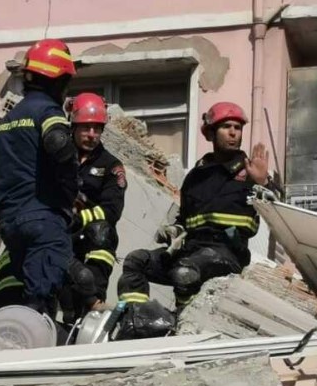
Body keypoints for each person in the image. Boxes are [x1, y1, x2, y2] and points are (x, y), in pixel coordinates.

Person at [116, 101, 271, 311]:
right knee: (137, 261)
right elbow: (186, 219)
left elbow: (279, 214)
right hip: (192, 250)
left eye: (238, 127)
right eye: (227, 127)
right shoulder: (196, 177)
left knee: (184, 272)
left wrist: (261, 183)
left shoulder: (251, 172)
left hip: (227, 254)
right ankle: (135, 317)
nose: (234, 133)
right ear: (210, 133)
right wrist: (174, 230)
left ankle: (183, 324)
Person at [0, 38, 79, 318]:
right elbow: (58, 142)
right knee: (39, 301)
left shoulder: (7, 121)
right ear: (57, 79)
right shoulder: (46, 111)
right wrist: (69, 190)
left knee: (26, 289)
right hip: (43, 217)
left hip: (11, 222)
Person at [60, 92, 128, 323]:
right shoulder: (58, 156)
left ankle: (94, 306)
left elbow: (112, 210)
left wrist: (80, 219)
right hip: (59, 230)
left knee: (102, 232)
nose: (92, 135)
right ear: (74, 126)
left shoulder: (111, 166)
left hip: (89, 236)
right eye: (86, 128)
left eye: (97, 129)